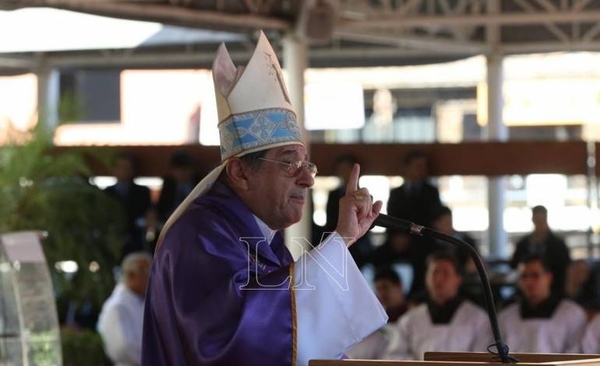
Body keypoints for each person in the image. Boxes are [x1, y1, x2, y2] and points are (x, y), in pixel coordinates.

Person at [141, 31, 387, 366]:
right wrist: (339, 240)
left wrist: (342, 240)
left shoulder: (260, 238)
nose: (306, 179)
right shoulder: (200, 236)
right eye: (289, 163)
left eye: (306, 164)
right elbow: (239, 341)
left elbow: (303, 338)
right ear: (241, 172)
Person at [384, 251, 492, 360]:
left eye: (445, 273)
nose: (439, 279)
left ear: (458, 279)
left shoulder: (478, 319)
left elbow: (482, 357)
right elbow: (394, 356)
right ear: (426, 278)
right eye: (435, 272)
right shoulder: (409, 320)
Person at [498, 254, 587, 353]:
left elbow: (575, 355)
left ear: (549, 277)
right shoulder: (506, 316)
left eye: (535, 275)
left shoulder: (572, 314)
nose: (529, 281)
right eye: (524, 276)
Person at [97, 252, 152, 366]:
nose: (152, 278)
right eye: (147, 272)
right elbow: (122, 348)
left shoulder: (141, 302)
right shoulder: (117, 306)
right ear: (131, 274)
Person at [324, 153, 374, 269]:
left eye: (346, 169)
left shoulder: (365, 196)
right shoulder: (333, 195)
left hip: (360, 243)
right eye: (340, 169)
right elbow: (330, 220)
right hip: (337, 238)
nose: (343, 172)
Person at [510, 205, 571, 298]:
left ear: (546, 219)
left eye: (541, 220)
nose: (539, 223)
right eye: (536, 219)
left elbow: (564, 268)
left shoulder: (558, 245)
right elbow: (514, 264)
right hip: (526, 292)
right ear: (533, 219)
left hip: (553, 292)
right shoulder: (523, 243)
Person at [104, 152, 152, 261]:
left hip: (135, 238)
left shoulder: (142, 191)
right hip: (113, 238)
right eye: (120, 167)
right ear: (113, 170)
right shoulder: (107, 192)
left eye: (127, 167)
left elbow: (149, 214)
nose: (123, 170)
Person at [387, 149, 442, 227]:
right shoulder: (396, 193)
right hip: (400, 236)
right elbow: (391, 219)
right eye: (418, 166)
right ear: (407, 167)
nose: (422, 170)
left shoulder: (432, 192)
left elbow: (435, 218)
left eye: (424, 166)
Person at [156, 149, 204, 223]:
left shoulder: (200, 184)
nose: (182, 173)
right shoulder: (169, 185)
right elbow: (161, 208)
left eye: (185, 169)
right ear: (172, 171)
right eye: (178, 170)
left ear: (192, 169)